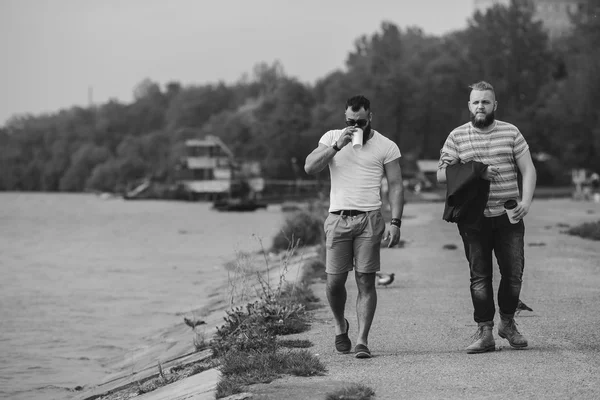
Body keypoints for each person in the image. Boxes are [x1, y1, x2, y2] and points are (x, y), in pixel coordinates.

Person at [437, 81, 537, 354]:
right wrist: (477, 170)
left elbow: (528, 169)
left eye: (486, 101)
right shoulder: (457, 136)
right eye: (476, 102)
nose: (480, 106)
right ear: (469, 106)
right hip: (473, 218)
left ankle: (507, 323)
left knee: (513, 275)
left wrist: (526, 201)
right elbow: (441, 175)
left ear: (495, 105)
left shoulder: (511, 132)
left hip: (509, 216)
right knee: (480, 277)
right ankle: (485, 332)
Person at [304, 95, 404, 359]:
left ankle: (362, 340)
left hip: (370, 218)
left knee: (365, 281)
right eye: (351, 121)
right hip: (337, 218)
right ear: (345, 117)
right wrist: (337, 145)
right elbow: (309, 167)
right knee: (334, 282)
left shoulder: (386, 145)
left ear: (370, 116)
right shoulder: (331, 138)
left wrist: (395, 221)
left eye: (361, 121)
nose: (356, 125)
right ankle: (340, 325)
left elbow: (395, 185)